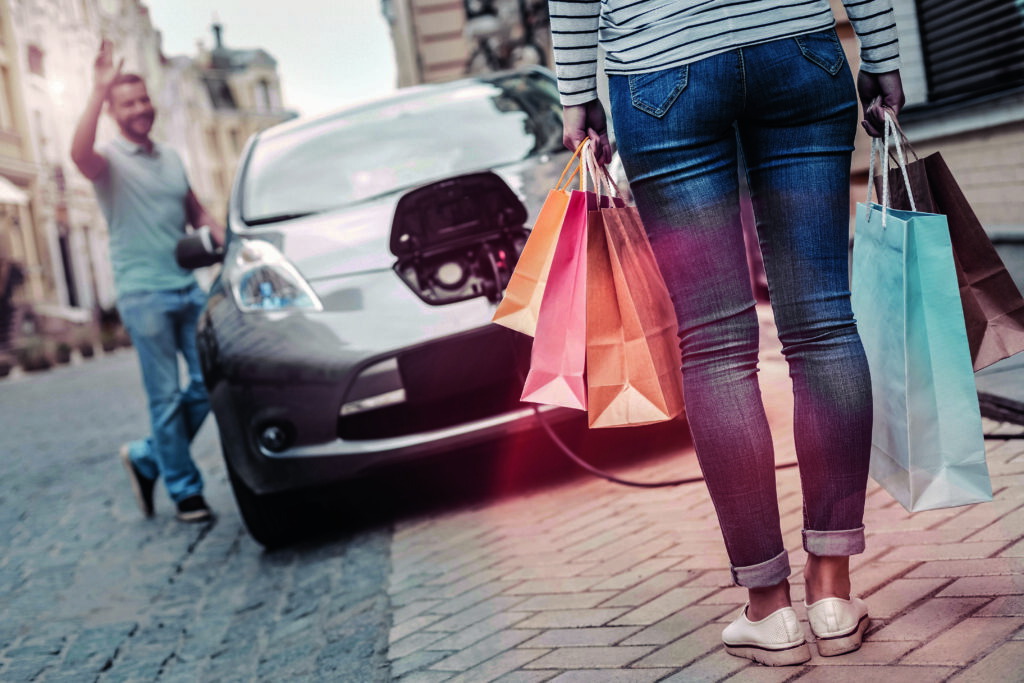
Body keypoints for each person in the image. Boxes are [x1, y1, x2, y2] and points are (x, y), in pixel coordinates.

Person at [549, 0, 905, 666]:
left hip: (661, 70)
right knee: (823, 323)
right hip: (794, 49)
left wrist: (576, 94)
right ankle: (832, 595)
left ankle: (769, 611)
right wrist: (881, 50)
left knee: (715, 346)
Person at [71, 40, 225, 523]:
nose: (139, 109)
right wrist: (96, 90)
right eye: (127, 103)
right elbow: (77, 153)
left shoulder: (172, 159)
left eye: (143, 99)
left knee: (209, 382)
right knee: (163, 396)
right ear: (114, 113)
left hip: (185, 285)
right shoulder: (108, 162)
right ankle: (184, 490)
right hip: (143, 294)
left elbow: (193, 208)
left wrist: (222, 232)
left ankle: (146, 458)